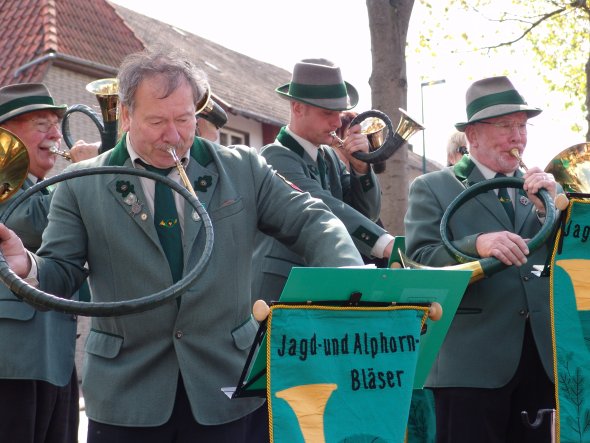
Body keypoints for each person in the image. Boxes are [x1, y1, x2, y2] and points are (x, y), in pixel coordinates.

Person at [0, 48, 364, 443]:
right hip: (127, 398)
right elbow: (62, 273)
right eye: (156, 121)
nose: (173, 136)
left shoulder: (243, 168)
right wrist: (28, 267)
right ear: (125, 115)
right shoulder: (80, 182)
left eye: (184, 119)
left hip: (226, 388)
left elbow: (311, 219)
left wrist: (347, 280)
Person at [404, 76, 558, 442]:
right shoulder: (432, 187)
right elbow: (419, 261)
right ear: (472, 135)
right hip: (468, 367)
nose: (517, 137)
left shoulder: (540, 191)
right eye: (505, 126)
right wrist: (477, 244)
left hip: (538, 360)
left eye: (522, 126)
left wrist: (551, 213)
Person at [0, 83, 97, 443]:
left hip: (52, 355)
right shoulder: (6, 179)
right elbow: (33, 221)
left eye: (56, 123)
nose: (56, 134)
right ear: (6, 133)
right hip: (12, 360)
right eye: (41, 124)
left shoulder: (34, 186)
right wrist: (89, 173)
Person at [252, 58, 395, 302]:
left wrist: (361, 168)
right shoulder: (273, 157)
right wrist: (385, 243)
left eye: (339, 113)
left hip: (321, 287)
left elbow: (367, 213)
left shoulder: (328, 157)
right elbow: (323, 206)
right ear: (297, 108)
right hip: (280, 291)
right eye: (328, 113)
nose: (337, 123)